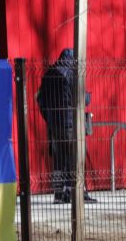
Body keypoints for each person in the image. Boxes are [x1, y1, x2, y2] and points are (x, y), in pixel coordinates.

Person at [37, 48, 94, 204]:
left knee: (59, 160)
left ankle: (58, 193)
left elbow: (40, 100)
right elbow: (81, 99)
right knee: (76, 157)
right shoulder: (72, 74)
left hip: (54, 125)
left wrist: (49, 117)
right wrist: (88, 97)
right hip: (70, 124)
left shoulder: (49, 75)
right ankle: (76, 192)